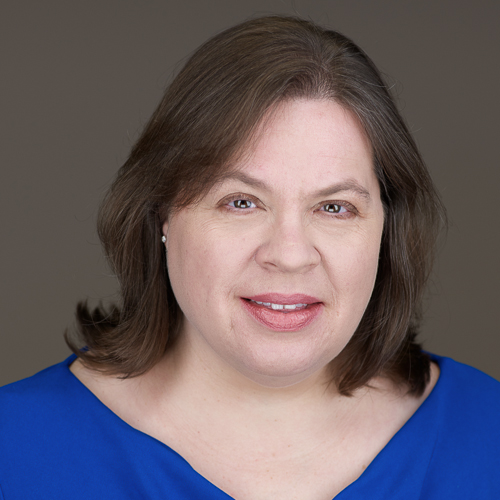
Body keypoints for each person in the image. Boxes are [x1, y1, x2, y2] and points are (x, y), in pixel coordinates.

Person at [1, 15, 499, 500]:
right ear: (162, 216)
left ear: (387, 231)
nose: (288, 254)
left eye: (334, 207)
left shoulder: (487, 438)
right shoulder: (15, 450)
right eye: (241, 202)